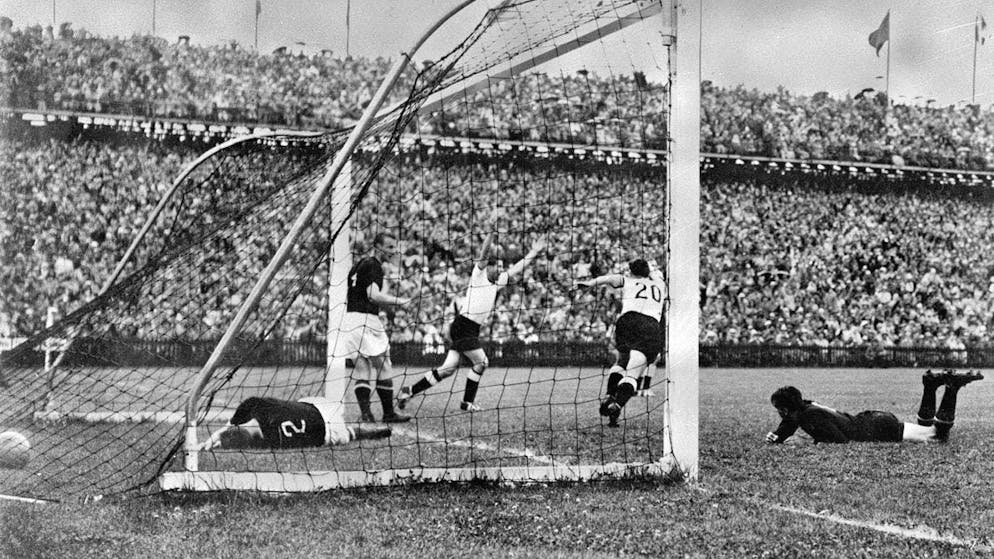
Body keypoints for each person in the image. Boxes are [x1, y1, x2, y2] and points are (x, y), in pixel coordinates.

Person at [398, 232, 545, 412]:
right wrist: (491, 235)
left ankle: (409, 391)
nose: (499, 269)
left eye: (500, 267)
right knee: (482, 362)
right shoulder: (478, 276)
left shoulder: (496, 284)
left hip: (469, 329)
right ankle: (467, 402)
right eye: (495, 266)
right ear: (488, 267)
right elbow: (483, 255)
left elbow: (518, 267)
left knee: (447, 369)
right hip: (463, 326)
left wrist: (534, 251)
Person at [765, 369, 984, 445]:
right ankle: (930, 386)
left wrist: (809, 441)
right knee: (928, 430)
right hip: (872, 419)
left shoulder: (809, 417)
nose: (779, 412)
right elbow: (790, 422)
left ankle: (951, 388)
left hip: (876, 428)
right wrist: (779, 436)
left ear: (785, 409)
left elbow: (839, 440)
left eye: (779, 408)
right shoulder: (806, 406)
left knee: (937, 437)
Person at [575, 258, 665, 427]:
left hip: (627, 321)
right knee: (634, 371)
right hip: (650, 325)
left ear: (632, 272)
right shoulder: (660, 283)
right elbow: (656, 274)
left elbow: (610, 278)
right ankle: (617, 405)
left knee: (622, 361)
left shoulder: (629, 281)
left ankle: (610, 394)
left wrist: (590, 283)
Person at [341, 232, 416, 423]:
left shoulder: (359, 265)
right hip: (366, 320)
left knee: (362, 369)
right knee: (384, 366)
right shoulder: (374, 265)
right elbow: (373, 295)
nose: (394, 250)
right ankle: (389, 414)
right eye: (390, 247)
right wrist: (400, 301)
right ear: (378, 247)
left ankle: (366, 415)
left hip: (350, 320)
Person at [202, 396, 391, 450]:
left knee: (351, 434)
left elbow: (235, 432)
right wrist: (217, 435)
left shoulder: (271, 442)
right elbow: (231, 424)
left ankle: (358, 433)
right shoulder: (257, 406)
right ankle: (365, 430)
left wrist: (220, 440)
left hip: (330, 435)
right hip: (323, 407)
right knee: (299, 402)